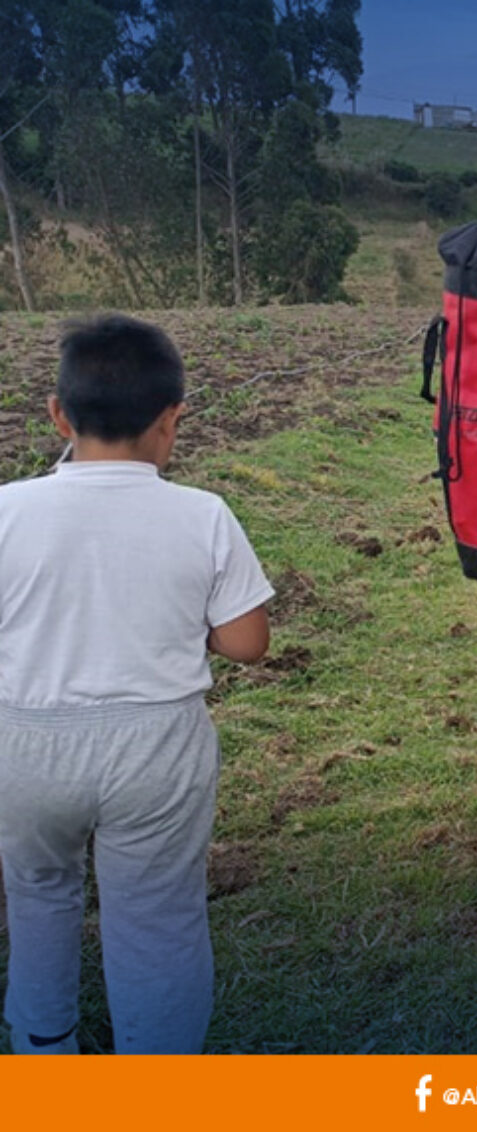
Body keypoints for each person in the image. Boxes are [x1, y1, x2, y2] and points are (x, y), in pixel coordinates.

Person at [0, 315, 275, 1054]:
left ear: (58, 413)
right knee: (156, 917)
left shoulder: (4, 510)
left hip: (24, 744)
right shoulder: (203, 514)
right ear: (172, 418)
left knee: (37, 898)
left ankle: (41, 1052)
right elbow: (248, 644)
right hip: (155, 749)